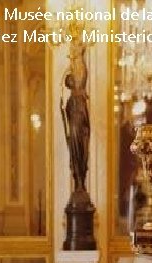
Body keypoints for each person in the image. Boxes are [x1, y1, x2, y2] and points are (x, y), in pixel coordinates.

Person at [60, 48, 90, 191]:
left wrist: (82, 57)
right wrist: (62, 109)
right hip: (73, 130)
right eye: (70, 79)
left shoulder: (80, 91)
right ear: (68, 84)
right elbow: (66, 118)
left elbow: (84, 74)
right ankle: (78, 183)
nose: (73, 80)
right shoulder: (70, 100)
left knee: (83, 155)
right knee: (75, 156)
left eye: (72, 78)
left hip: (81, 129)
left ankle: (81, 183)